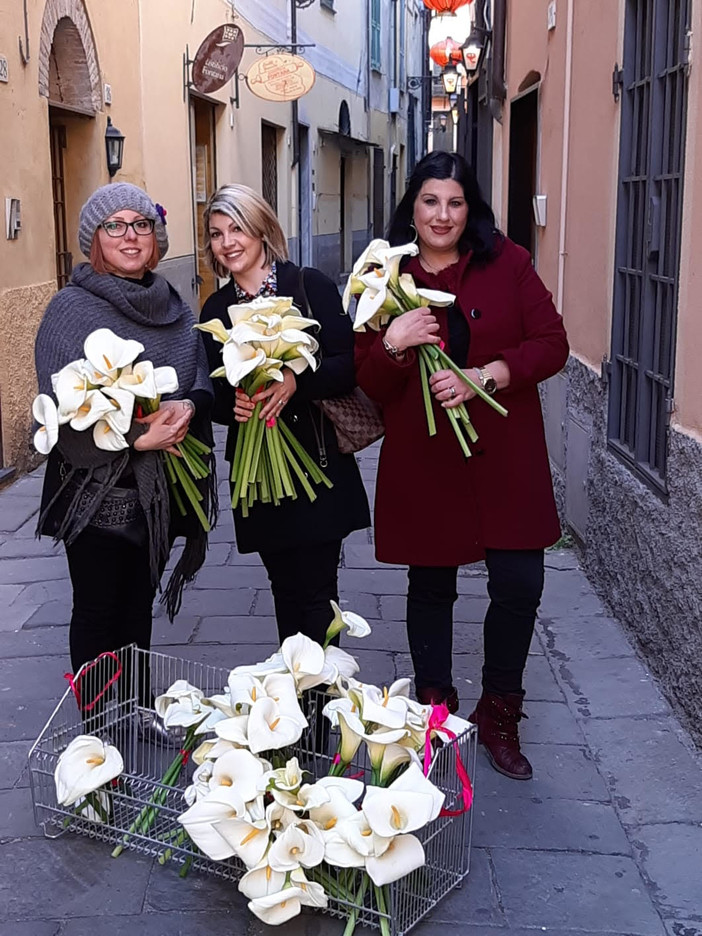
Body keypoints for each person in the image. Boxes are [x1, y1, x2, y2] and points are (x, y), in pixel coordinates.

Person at [354, 152, 569, 780]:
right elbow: (370, 380)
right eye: (430, 201)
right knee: (431, 586)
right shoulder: (383, 274)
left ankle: (500, 713)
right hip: (427, 457)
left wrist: (487, 376)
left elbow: (552, 343)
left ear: (469, 208)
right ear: (412, 207)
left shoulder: (509, 262)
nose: (442, 215)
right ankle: (435, 712)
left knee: (520, 585)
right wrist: (395, 342)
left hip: (505, 455)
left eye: (455, 202)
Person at [35, 182, 215, 722]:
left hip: (158, 493)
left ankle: (135, 708)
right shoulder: (70, 309)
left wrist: (188, 407)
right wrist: (135, 437)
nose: (130, 236)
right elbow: (59, 404)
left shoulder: (173, 304)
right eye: (114, 226)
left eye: (141, 224)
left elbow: (198, 376)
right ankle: (95, 721)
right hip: (95, 494)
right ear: (95, 239)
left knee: (138, 605)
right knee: (96, 608)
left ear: (156, 237)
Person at [199, 183, 370, 648]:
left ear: (261, 230)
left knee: (318, 593)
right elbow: (214, 390)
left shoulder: (308, 286)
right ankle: (293, 687)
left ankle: (322, 691)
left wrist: (296, 380)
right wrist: (231, 404)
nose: (227, 242)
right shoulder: (216, 309)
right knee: (284, 589)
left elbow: (348, 364)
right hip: (260, 474)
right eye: (216, 233)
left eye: (237, 228)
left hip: (316, 464)